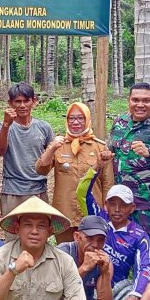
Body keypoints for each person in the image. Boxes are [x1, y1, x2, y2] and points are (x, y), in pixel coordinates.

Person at [108, 82, 150, 267]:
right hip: (122, 203)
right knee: (121, 247)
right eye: (135, 100)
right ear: (128, 101)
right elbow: (111, 152)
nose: (140, 104)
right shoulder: (120, 123)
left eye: (146, 100)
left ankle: (149, 292)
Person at [35, 102, 114, 237]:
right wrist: (52, 148)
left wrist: (107, 208)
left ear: (87, 120)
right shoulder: (59, 145)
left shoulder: (99, 147)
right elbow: (41, 170)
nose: (75, 122)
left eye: (80, 118)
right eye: (71, 118)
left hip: (91, 210)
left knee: (91, 251)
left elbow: (108, 182)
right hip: (65, 213)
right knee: (65, 252)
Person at [81, 182, 150, 300]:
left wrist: (135, 296)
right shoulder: (99, 219)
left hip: (116, 289)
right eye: (112, 204)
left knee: (148, 298)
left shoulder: (139, 236)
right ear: (106, 205)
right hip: (88, 282)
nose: (117, 209)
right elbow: (82, 192)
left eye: (124, 205)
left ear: (132, 208)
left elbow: (144, 269)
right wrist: (97, 167)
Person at [57, 215, 120, 300]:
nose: (95, 245)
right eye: (89, 238)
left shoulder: (105, 261)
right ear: (77, 237)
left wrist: (104, 274)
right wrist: (84, 268)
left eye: (100, 240)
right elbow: (53, 295)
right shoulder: (62, 253)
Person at [0, 82, 54, 216]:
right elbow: (0, 151)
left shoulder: (44, 127)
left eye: (26, 101)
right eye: (18, 101)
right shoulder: (3, 126)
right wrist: (6, 125)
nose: (22, 105)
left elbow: (52, 157)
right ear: (10, 103)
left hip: (38, 189)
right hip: (13, 190)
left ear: (34, 102)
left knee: (38, 233)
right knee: (13, 235)